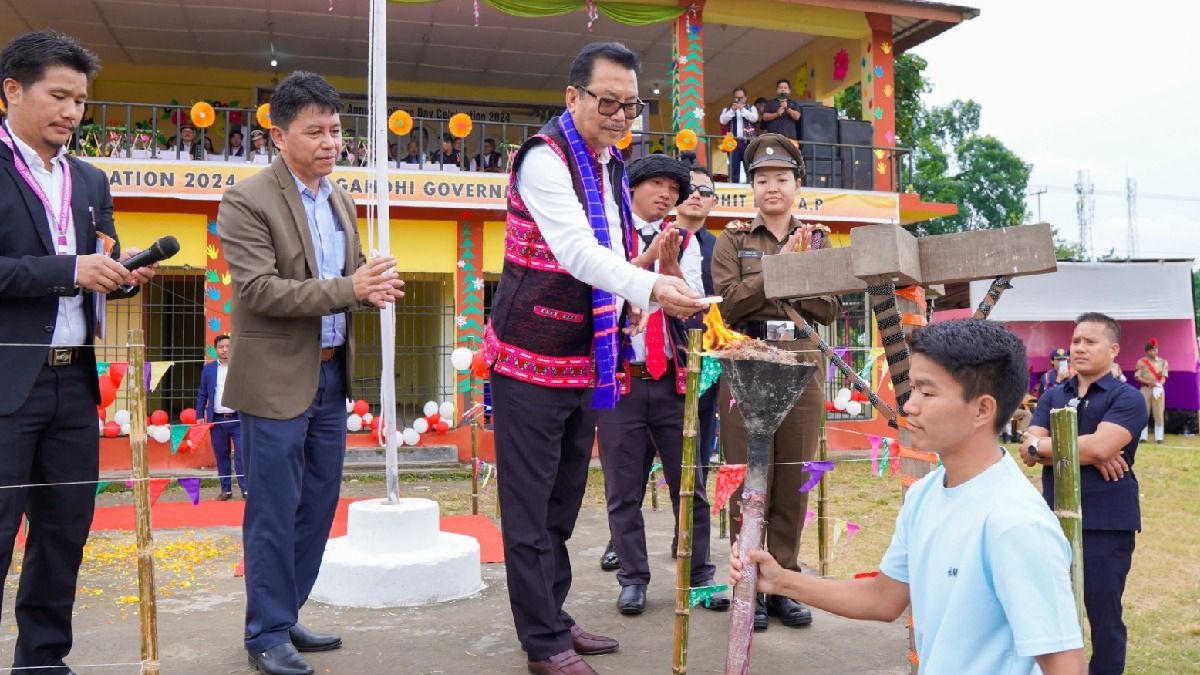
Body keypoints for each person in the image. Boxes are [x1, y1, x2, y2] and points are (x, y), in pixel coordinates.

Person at [483, 41, 705, 675]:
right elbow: (578, 252)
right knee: (527, 510)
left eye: (631, 105)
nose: (619, 116)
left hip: (585, 358)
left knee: (561, 504)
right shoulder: (543, 161)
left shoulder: (609, 163)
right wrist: (653, 288)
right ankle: (541, 643)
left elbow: (612, 249)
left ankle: (552, 615)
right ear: (573, 96)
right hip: (529, 358)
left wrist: (639, 284)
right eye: (607, 102)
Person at [732, 319, 1086, 674]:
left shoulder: (1015, 523)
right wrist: (780, 580)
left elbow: (1065, 664)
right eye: (912, 389)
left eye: (928, 393)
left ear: (982, 410)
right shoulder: (926, 495)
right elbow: (883, 599)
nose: (910, 406)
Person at [217, 70, 405, 675]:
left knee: (318, 505)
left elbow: (346, 283)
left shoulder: (340, 197)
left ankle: (287, 611)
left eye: (336, 130)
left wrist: (372, 283)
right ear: (278, 135)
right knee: (273, 507)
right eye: (315, 131)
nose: (330, 143)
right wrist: (349, 287)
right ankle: (265, 632)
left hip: (331, 375)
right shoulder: (247, 200)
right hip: (274, 378)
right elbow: (259, 289)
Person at [0, 29, 157, 672]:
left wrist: (119, 272)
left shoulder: (90, 179)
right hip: (8, 380)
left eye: (82, 102)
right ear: (12, 90)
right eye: (58, 96)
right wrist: (69, 270)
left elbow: (99, 257)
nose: (71, 113)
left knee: (64, 532)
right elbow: (54, 269)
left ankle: (42, 660)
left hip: (75, 382)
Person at [711, 133, 840, 631]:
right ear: (751, 188)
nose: (772, 188)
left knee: (793, 474)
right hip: (746, 358)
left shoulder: (820, 239)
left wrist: (774, 279)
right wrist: (784, 269)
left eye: (781, 179)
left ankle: (782, 581)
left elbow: (828, 307)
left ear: (797, 185)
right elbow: (727, 303)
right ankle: (748, 582)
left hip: (802, 361)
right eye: (762, 179)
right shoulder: (733, 240)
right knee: (744, 473)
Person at [596, 154, 724, 617]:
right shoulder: (606, 233)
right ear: (632, 189)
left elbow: (691, 307)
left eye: (674, 187)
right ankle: (633, 579)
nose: (667, 194)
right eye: (657, 185)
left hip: (674, 382)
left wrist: (668, 268)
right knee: (622, 489)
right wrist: (648, 262)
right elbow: (603, 292)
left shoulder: (684, 240)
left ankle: (699, 578)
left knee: (690, 484)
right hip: (621, 382)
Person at [1023, 312, 1147, 675]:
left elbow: (1095, 447)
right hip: (1052, 519)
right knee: (1051, 612)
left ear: (1113, 350)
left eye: (1089, 341)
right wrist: (1084, 452)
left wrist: (1049, 447)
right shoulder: (1052, 394)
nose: (1078, 348)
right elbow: (1027, 447)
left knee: (1104, 616)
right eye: (1076, 341)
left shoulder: (1128, 398)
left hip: (1106, 523)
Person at [675, 163, 720, 481]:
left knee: (701, 441)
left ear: (713, 202)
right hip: (662, 354)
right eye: (689, 188)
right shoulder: (654, 240)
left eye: (705, 191)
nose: (696, 195)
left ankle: (696, 512)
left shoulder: (722, 250)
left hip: (707, 358)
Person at [195, 333, 246, 500]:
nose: (224, 350)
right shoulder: (208, 369)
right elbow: (202, 393)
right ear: (215, 349)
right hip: (217, 419)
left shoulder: (241, 367)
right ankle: (226, 490)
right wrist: (199, 414)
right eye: (221, 347)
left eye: (228, 347)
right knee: (221, 455)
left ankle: (246, 489)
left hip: (238, 419)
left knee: (242, 455)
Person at [718, 87, 758, 183]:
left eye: (741, 97)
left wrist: (742, 109)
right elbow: (722, 120)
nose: (739, 100)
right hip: (732, 143)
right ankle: (734, 186)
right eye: (737, 98)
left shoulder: (751, 108)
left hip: (747, 142)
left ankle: (751, 189)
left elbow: (754, 118)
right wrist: (732, 110)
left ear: (745, 98)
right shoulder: (727, 109)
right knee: (733, 169)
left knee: (749, 168)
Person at [1135, 337, 1168, 443]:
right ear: (1147, 351)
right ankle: (1143, 437)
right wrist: (1149, 382)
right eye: (1152, 349)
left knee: (1158, 413)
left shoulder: (1163, 362)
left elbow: (1164, 376)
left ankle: (1159, 438)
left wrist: (1159, 384)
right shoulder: (1141, 362)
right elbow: (1137, 376)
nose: (1155, 351)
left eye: (1156, 349)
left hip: (1158, 390)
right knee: (1144, 412)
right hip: (1145, 389)